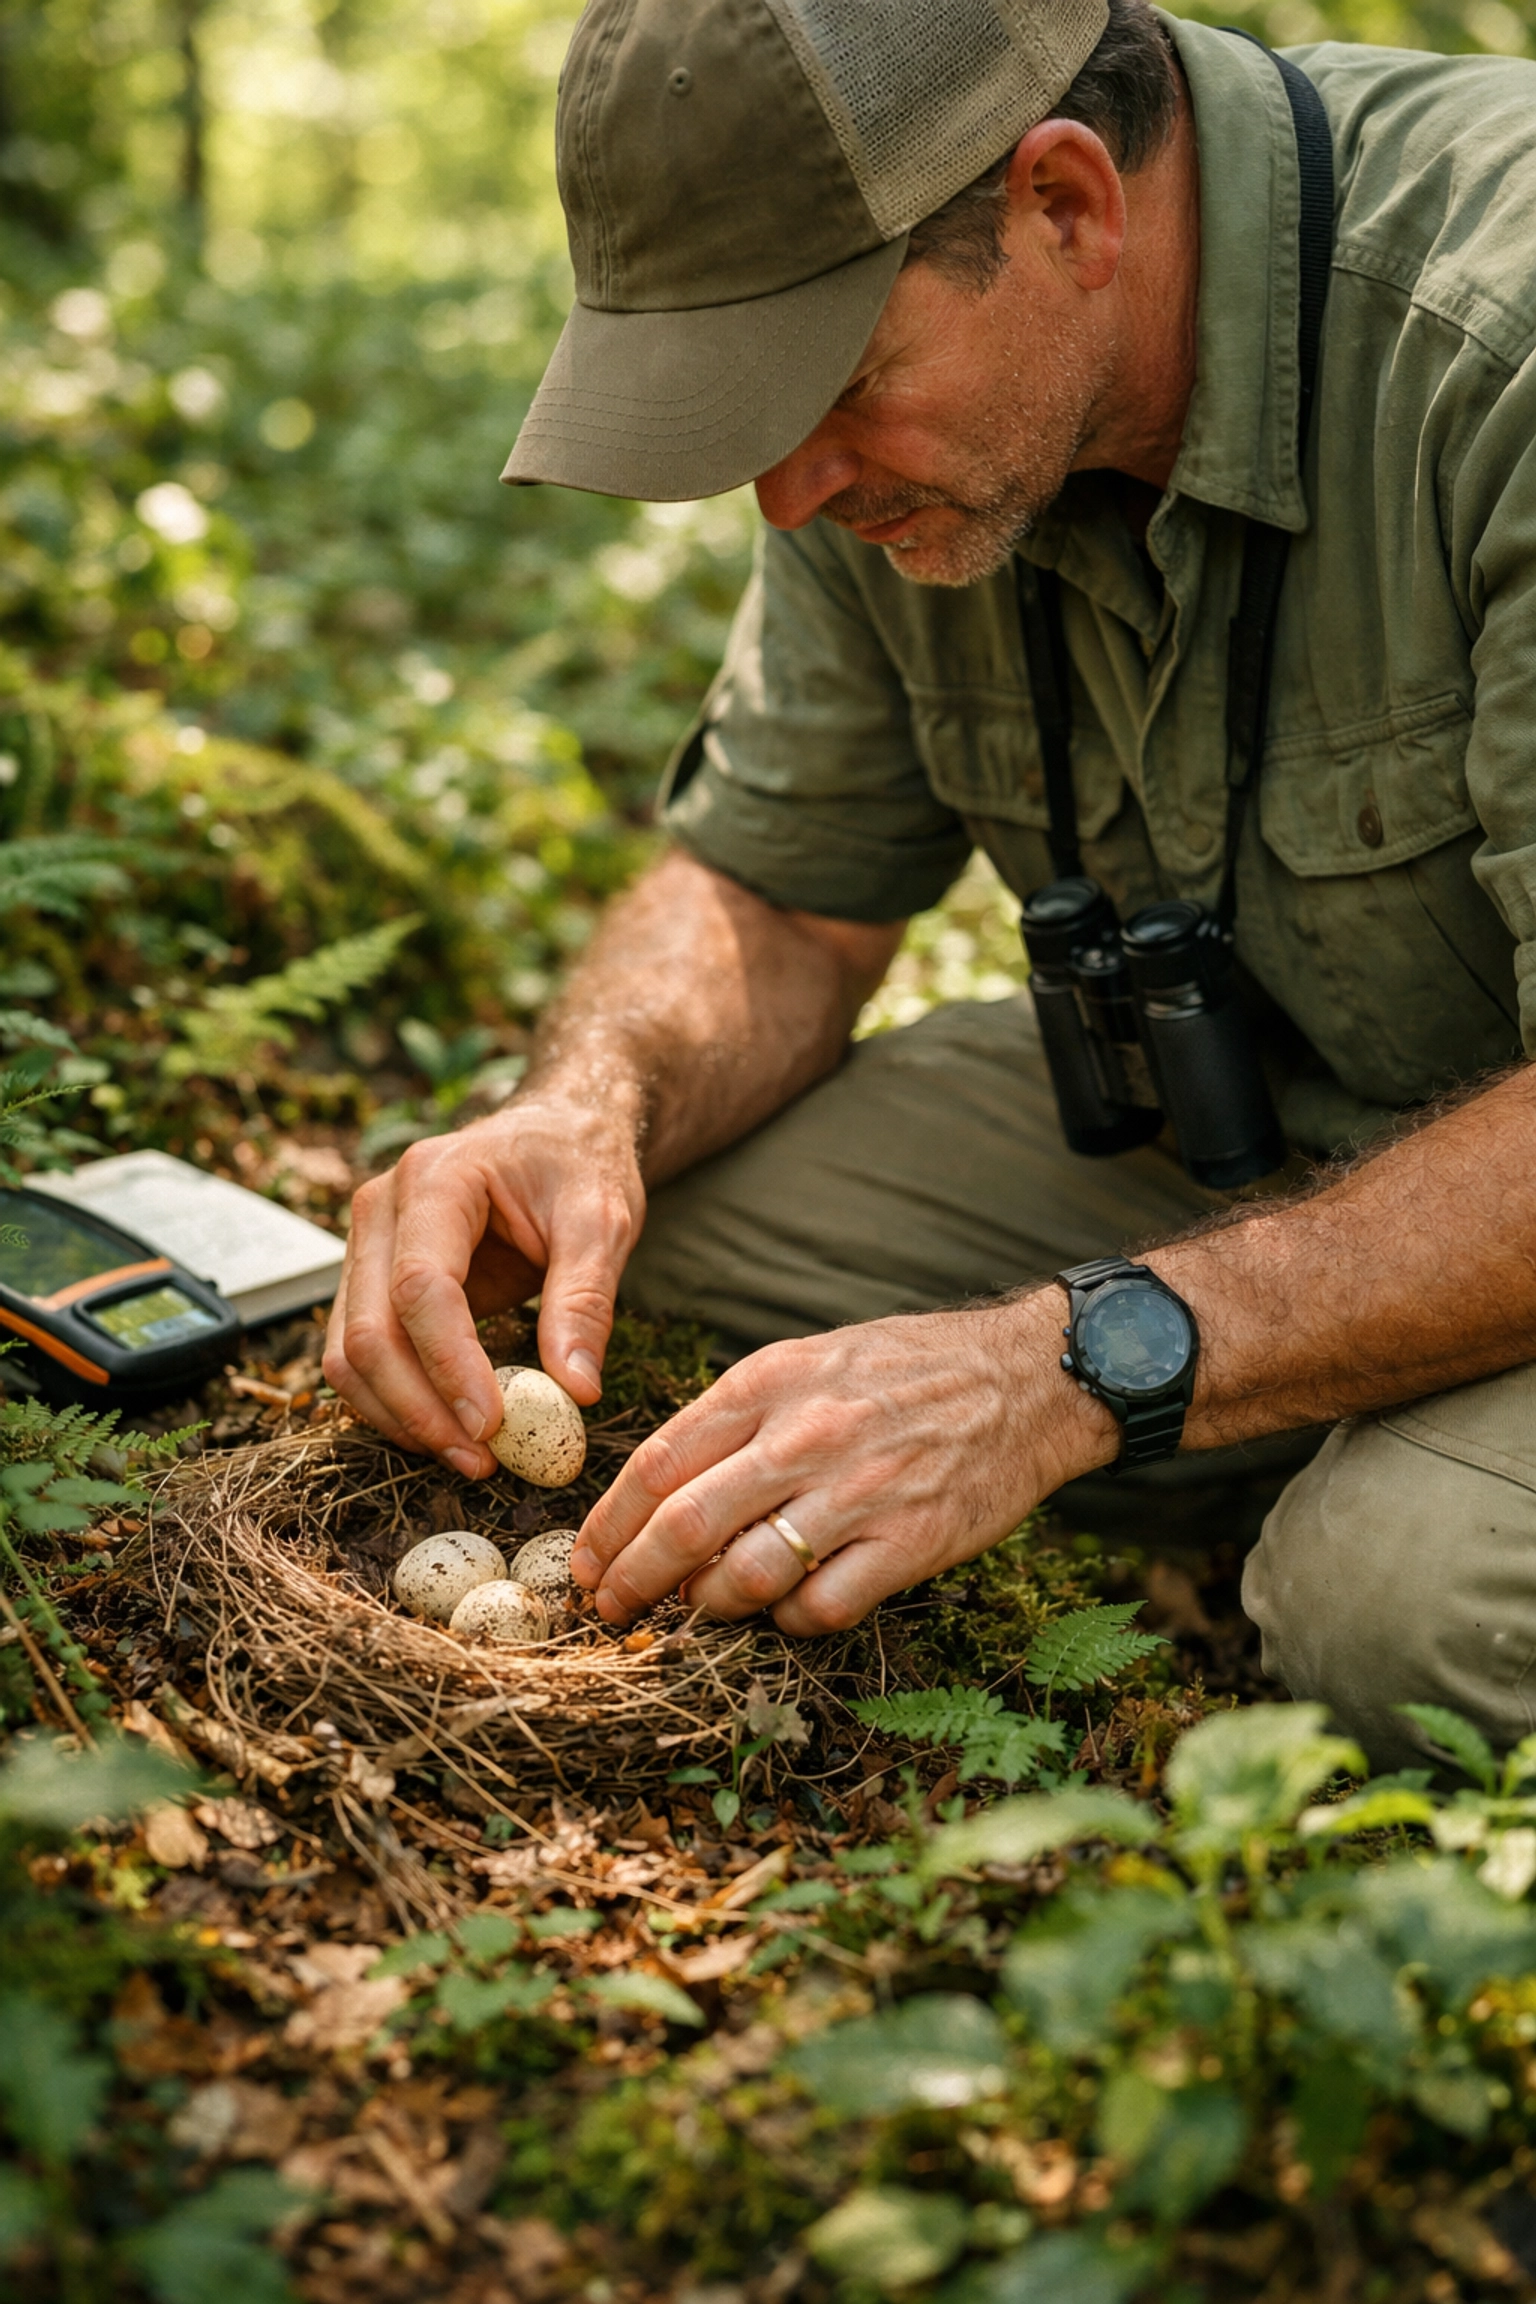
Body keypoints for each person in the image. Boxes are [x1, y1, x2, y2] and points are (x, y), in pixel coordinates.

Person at [325, 0, 1536, 1770]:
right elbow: (779, 893)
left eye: (828, 391)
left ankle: (1323, 1479)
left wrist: (1063, 1370)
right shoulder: (906, 459)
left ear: (1065, 206)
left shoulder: (1493, 350)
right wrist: (582, 1107)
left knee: (1404, 1601)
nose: (787, 493)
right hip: (1287, 1126)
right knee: (666, 1260)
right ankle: (1272, 1419)